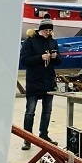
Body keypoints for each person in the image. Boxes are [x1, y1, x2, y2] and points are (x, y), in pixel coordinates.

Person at [19, 20, 59, 149]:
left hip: (48, 81)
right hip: (34, 81)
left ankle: (44, 135)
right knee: (30, 111)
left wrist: (55, 57)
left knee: (47, 111)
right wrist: (39, 58)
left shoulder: (53, 41)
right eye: (46, 30)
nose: (48, 33)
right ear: (40, 30)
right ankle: (27, 138)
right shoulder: (30, 42)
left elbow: (59, 61)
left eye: (49, 31)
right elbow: (24, 60)